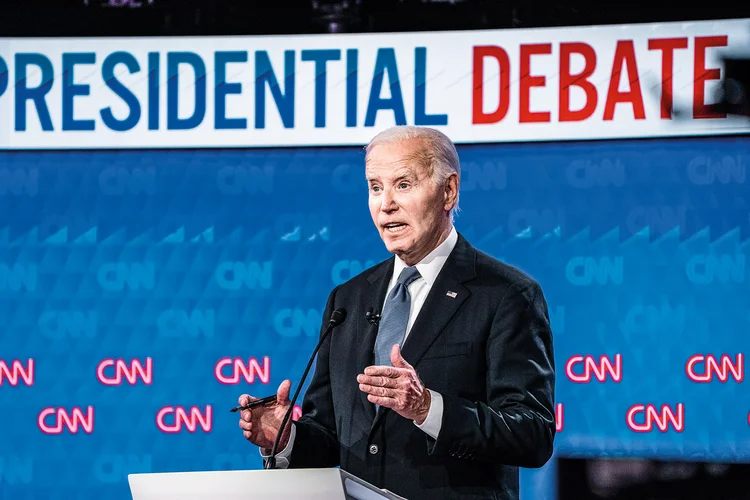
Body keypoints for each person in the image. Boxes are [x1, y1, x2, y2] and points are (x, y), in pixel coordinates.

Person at [237, 126, 556, 500]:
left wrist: (427, 408)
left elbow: (531, 433)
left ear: (448, 191)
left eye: (403, 184)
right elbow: (332, 438)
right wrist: (287, 438)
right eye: (375, 187)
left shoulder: (506, 295)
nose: (386, 203)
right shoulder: (348, 299)